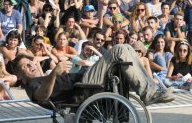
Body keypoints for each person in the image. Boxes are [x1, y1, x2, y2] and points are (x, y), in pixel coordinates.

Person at [11, 44, 176, 108]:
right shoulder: (32, 84)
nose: (30, 66)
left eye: (30, 62)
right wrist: (54, 72)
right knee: (119, 49)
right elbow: (42, 96)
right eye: (24, 66)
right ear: (20, 76)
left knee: (127, 48)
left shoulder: (43, 76)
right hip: (83, 89)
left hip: (84, 82)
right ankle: (148, 93)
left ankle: (150, 90)